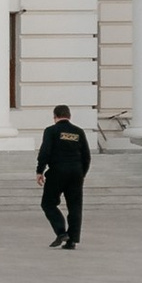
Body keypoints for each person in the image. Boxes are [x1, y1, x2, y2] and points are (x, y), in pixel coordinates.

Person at [37, 99, 90, 248]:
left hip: (57, 171)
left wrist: (39, 170)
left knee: (48, 203)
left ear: (55, 116)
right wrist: (82, 173)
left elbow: (45, 152)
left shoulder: (51, 131)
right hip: (76, 172)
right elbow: (86, 155)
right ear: (69, 116)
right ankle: (72, 241)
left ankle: (61, 232)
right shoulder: (79, 132)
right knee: (75, 206)